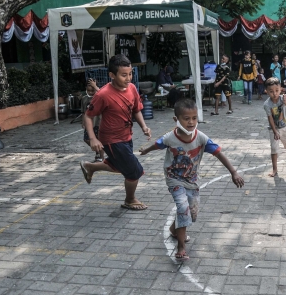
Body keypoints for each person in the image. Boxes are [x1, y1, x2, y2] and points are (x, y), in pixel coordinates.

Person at [139, 98, 244, 260]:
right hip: (174, 178)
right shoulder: (170, 138)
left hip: (192, 180)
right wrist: (145, 151)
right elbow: (157, 144)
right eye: (186, 118)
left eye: (194, 118)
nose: (191, 122)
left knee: (192, 213)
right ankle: (181, 248)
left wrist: (233, 172)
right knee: (182, 207)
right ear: (177, 120)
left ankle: (175, 229)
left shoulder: (201, 138)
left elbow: (219, 153)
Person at [79, 54, 152, 211]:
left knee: (119, 166)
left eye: (130, 73)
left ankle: (90, 167)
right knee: (134, 171)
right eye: (123, 75)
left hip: (126, 136)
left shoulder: (132, 88)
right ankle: (130, 200)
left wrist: (144, 126)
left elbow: (136, 109)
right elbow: (88, 116)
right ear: (112, 75)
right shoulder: (103, 94)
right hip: (111, 139)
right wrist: (93, 138)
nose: (128, 78)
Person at [263, 77, 286, 178]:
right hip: (274, 128)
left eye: (277, 90)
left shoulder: (282, 98)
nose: (274, 94)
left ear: (281, 89)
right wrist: (275, 131)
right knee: (274, 148)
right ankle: (275, 169)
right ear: (266, 92)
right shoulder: (267, 104)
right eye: (271, 91)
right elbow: (270, 119)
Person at [80, 78, 103, 162]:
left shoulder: (99, 97)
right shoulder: (84, 98)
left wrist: (95, 87)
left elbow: (104, 94)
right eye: (88, 90)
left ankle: (101, 157)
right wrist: (83, 121)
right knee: (87, 139)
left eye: (92, 90)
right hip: (89, 123)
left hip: (98, 122)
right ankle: (97, 151)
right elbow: (83, 111)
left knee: (99, 139)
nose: (90, 93)